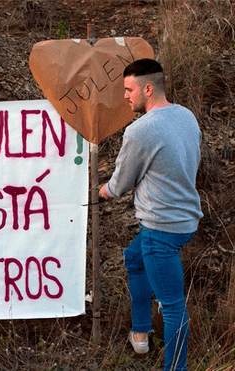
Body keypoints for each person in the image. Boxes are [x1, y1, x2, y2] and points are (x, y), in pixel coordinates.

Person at [99, 59, 203, 371]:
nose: (126, 97)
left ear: (147, 88)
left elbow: (120, 185)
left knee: (173, 308)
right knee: (134, 258)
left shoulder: (139, 131)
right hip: (186, 219)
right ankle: (141, 335)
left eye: (129, 90)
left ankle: (175, 368)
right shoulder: (186, 116)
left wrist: (100, 193)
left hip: (162, 228)